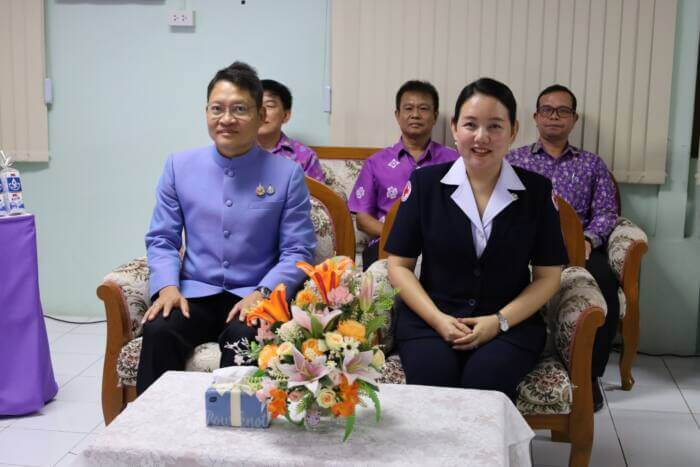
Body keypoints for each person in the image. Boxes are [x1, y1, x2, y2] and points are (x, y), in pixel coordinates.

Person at [136, 62, 316, 394]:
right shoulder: (179, 167)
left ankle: (231, 425)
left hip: (254, 291)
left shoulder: (287, 174)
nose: (226, 118)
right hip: (195, 292)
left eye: (239, 109)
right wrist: (167, 287)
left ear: (261, 115)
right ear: (206, 112)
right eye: (217, 109)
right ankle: (152, 421)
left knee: (245, 336)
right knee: (160, 329)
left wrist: (263, 294)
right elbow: (162, 239)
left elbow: (298, 251)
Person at [385, 78, 568, 400]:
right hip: (431, 319)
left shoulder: (537, 192)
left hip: (509, 325)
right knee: (434, 379)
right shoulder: (425, 184)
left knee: (486, 380)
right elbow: (398, 265)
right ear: (455, 128)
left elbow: (548, 276)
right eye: (470, 125)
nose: (481, 137)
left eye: (495, 126)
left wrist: (499, 321)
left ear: (513, 130)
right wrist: (438, 320)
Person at [506, 84, 618, 411]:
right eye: (547, 110)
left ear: (574, 118)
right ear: (535, 116)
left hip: (578, 249)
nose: (554, 116)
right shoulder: (514, 160)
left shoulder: (592, 164)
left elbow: (607, 211)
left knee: (605, 283)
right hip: (526, 249)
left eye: (563, 111)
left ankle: (589, 375)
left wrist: (589, 239)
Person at [348, 80, 458, 269]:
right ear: (397, 115)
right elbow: (363, 219)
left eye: (423, 108)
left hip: (440, 245)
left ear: (434, 116)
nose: (415, 115)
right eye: (408, 108)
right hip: (387, 244)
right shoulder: (376, 162)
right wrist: (399, 235)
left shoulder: (454, 160)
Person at [257, 79, 326, 182]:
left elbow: (316, 192)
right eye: (256, 105)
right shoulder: (235, 152)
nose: (261, 112)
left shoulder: (305, 156)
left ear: (285, 116)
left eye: (270, 106)